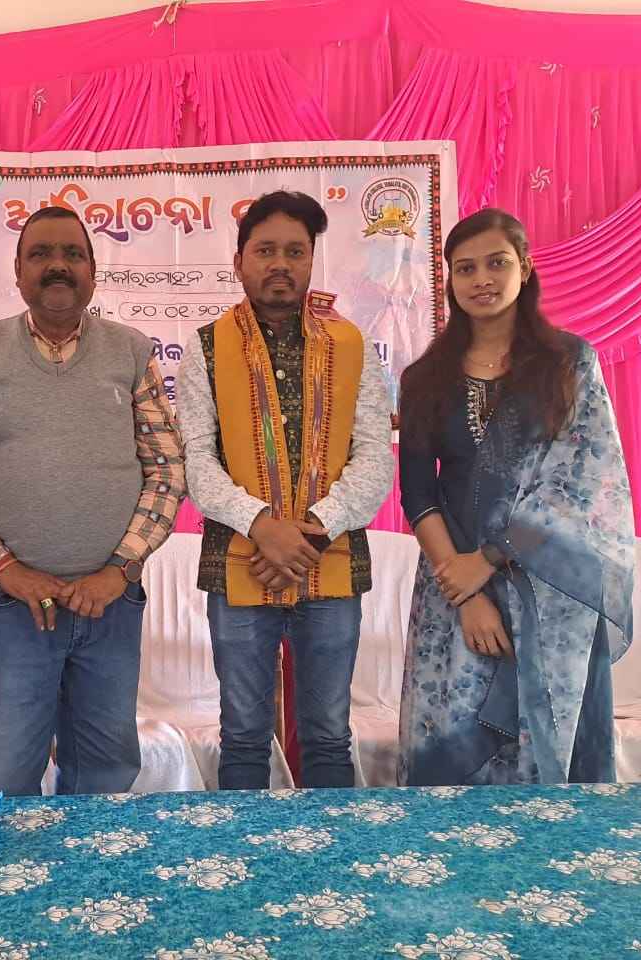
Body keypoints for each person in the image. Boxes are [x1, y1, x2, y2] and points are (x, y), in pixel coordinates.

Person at [0, 206, 185, 796]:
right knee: (7, 780)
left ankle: (92, 867)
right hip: (13, 608)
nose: (58, 265)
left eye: (73, 254)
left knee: (104, 779)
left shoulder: (130, 351)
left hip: (111, 606)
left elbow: (166, 470)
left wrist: (119, 570)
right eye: (41, 254)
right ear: (17, 271)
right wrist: (8, 570)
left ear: (93, 270)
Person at [397, 207, 634, 786]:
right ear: (449, 279)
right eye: (465, 268)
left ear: (524, 268)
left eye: (496, 263)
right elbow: (418, 493)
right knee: (452, 740)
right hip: (452, 585)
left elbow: (585, 482)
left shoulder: (568, 364)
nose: (481, 279)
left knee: (545, 752)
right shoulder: (424, 377)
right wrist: (464, 591)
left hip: (549, 588)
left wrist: (491, 557)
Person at [177, 191, 393, 790]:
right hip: (239, 560)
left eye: (295, 252)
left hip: (332, 559)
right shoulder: (206, 346)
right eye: (265, 250)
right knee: (244, 737)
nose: (280, 264)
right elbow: (197, 459)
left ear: (311, 261)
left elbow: (374, 454)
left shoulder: (350, 345)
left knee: (328, 736)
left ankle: (329, 851)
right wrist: (262, 526)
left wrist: (309, 535)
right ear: (239, 260)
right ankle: (243, 851)